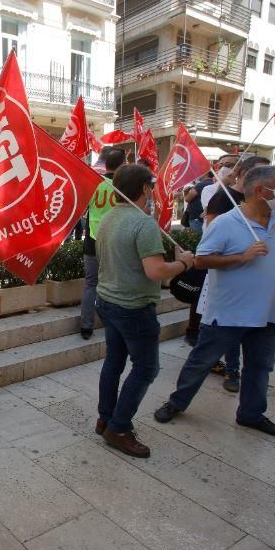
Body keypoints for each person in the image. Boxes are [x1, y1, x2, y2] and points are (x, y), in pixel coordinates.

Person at [154, 166, 275, 438]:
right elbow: (202, 259)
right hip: (229, 312)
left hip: (267, 312)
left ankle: (251, 414)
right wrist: (241, 257)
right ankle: (176, 402)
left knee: (260, 366)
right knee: (202, 361)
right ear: (259, 191)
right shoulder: (226, 223)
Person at [93, 164, 195, 458]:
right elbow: (156, 271)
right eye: (152, 185)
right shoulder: (144, 223)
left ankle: (105, 418)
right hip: (133, 308)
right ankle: (119, 427)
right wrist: (185, 263)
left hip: (107, 302)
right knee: (146, 368)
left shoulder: (110, 217)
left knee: (114, 361)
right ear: (146, 189)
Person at [200, 155, 270, 392]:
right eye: (262, 173)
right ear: (246, 175)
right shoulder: (225, 197)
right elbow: (211, 233)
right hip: (229, 274)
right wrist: (240, 250)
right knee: (229, 324)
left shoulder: (263, 201)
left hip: (255, 277)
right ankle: (231, 369)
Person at [81, 147, 126, 340]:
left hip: (92, 240)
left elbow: (83, 209)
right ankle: (112, 324)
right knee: (113, 283)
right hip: (114, 241)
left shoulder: (94, 183)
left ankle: (86, 326)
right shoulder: (123, 187)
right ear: (123, 164)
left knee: (91, 283)